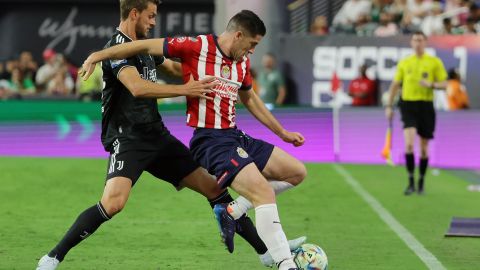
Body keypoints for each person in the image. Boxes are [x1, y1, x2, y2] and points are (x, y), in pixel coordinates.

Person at [36, 2, 298, 269]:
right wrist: (187, 89)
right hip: (129, 139)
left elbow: (174, 69)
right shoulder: (116, 48)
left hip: (157, 135)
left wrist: (199, 68)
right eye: (150, 16)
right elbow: (137, 88)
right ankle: (54, 256)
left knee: (215, 189)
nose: (153, 22)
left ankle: (266, 252)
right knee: (113, 204)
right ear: (134, 13)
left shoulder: (144, 44)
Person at [385, 31, 447, 196]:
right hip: (408, 105)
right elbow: (395, 85)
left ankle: (421, 181)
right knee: (409, 144)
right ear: (411, 43)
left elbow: (445, 84)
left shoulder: (434, 62)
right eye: (415, 40)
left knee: (424, 148)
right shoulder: (405, 62)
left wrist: (432, 84)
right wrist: (389, 106)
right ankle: (411, 181)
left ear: (425, 42)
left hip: (426, 106)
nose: (417, 43)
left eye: (420, 40)